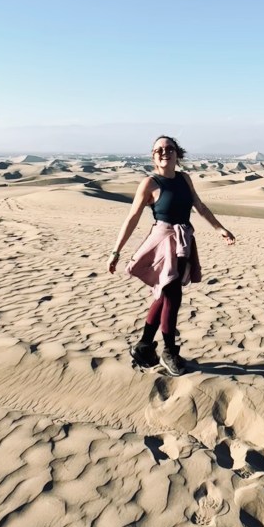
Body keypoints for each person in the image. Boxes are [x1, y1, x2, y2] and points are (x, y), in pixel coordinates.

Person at [107, 135, 235, 375]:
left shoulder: (184, 179)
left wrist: (220, 229)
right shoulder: (150, 183)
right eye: (158, 150)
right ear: (153, 156)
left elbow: (200, 207)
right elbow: (132, 218)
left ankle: (145, 345)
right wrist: (116, 251)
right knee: (172, 295)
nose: (164, 152)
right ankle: (169, 352)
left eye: (169, 149)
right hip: (163, 241)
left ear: (178, 154)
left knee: (165, 295)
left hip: (183, 241)